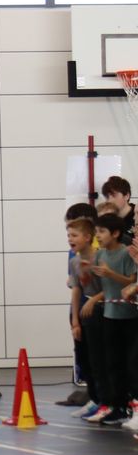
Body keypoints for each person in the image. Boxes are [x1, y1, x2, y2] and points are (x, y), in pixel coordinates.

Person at [85, 212, 138, 426]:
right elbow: (98, 286)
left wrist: (110, 274)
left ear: (115, 233)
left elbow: (131, 281)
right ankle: (117, 406)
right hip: (109, 315)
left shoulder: (126, 253)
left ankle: (130, 404)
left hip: (128, 316)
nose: (98, 235)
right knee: (112, 362)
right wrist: (86, 273)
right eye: (96, 231)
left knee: (130, 363)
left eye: (102, 231)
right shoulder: (100, 255)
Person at [56, 203, 98, 407]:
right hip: (79, 306)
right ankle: (92, 395)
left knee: (98, 354)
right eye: (69, 233)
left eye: (75, 232)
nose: (71, 237)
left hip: (98, 308)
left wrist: (93, 299)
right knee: (82, 354)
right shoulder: (74, 256)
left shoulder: (101, 252)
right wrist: (74, 319)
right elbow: (75, 285)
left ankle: (103, 398)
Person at [100, 175, 134, 244]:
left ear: (126, 196)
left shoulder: (136, 215)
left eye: (114, 195)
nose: (110, 200)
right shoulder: (106, 218)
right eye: (107, 197)